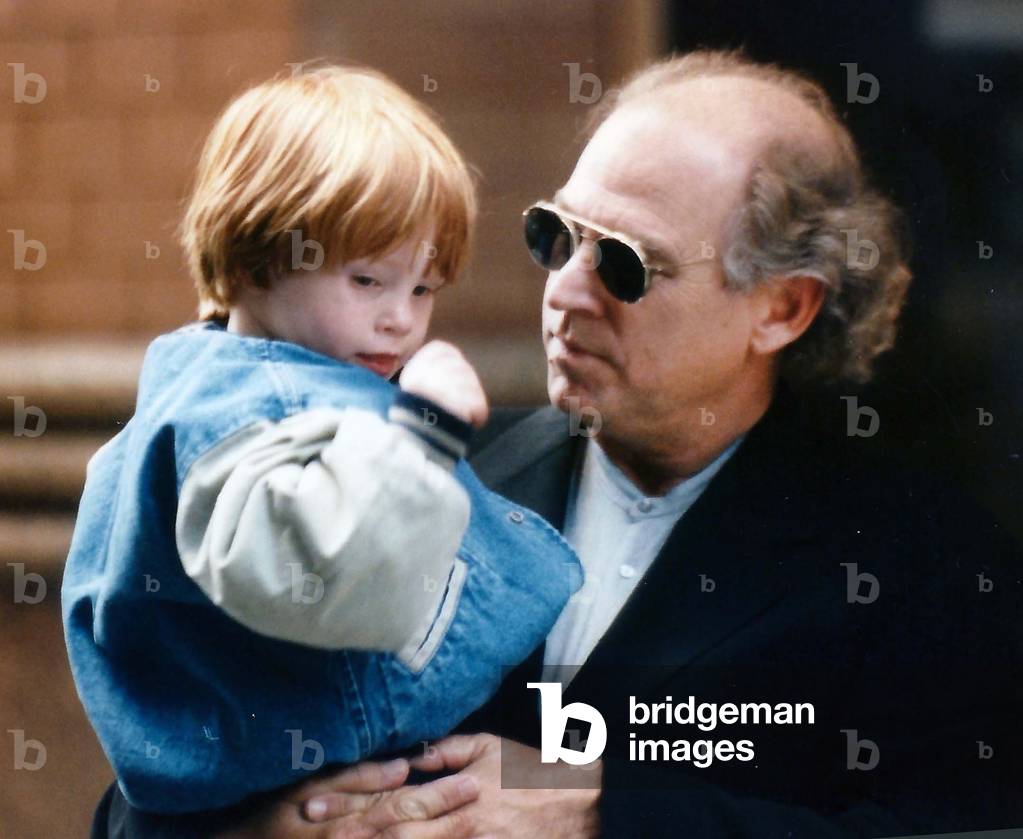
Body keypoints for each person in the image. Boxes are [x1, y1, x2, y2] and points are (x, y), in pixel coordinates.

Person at [93, 50, 1023, 838]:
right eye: (555, 235)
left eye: (625, 263)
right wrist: (259, 827)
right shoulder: (416, 469)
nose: (565, 291)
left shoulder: (918, 561)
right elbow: (147, 767)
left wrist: (599, 810)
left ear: (780, 307)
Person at [62, 64, 581, 821]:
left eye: (424, 287)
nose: (400, 319)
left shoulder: (220, 380)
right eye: (368, 280)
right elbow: (329, 574)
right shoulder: (246, 413)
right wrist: (423, 437)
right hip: (341, 755)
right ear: (251, 260)